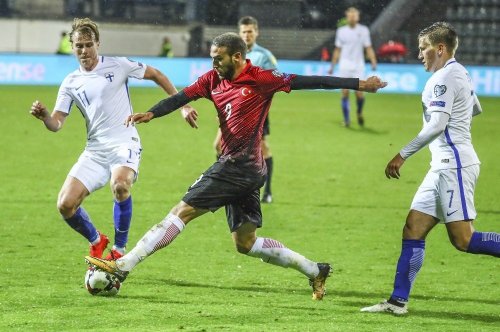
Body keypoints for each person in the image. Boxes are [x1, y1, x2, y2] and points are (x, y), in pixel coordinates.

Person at [85, 32, 386, 300]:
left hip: (237, 167)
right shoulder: (212, 79)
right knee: (246, 243)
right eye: (212, 57)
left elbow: (313, 81)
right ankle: (315, 270)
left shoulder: (261, 78)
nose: (214, 63)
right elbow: (181, 97)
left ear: (238, 57)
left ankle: (124, 265)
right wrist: (151, 113)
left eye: (219, 58)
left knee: (180, 213)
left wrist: (360, 84)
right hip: (247, 172)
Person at [361, 22, 499, 315]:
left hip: (454, 166)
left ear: (440, 48)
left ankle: (398, 300)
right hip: (442, 166)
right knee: (413, 228)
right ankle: (397, 302)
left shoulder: (443, 79)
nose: (419, 53)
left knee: (464, 240)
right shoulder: (457, 71)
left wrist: (402, 154)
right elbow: (475, 107)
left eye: (423, 47)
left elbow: (437, 124)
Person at [30, 18, 198, 261]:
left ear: (98, 44)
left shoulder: (118, 65)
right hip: (95, 150)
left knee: (120, 185)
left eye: (89, 45)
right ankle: (97, 241)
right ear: (73, 47)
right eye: (79, 46)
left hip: (124, 142)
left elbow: (157, 74)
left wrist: (182, 106)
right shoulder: (70, 83)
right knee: (65, 205)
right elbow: (56, 124)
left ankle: (119, 250)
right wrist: (45, 116)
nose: (84, 51)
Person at [213, 16, 277, 204]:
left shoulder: (264, 56)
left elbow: (273, 82)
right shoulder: (230, 53)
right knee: (218, 145)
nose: (247, 35)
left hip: (255, 112)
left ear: (256, 32)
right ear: (239, 33)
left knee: (262, 148)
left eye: (250, 31)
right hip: (231, 109)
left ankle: (268, 191)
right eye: (244, 32)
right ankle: (226, 185)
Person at [328, 7, 377, 127]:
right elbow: (337, 49)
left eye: (354, 15)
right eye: (350, 15)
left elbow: (368, 47)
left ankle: (359, 112)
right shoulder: (341, 31)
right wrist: (332, 65)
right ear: (347, 17)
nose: (352, 17)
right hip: (344, 66)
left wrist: (373, 61)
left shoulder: (364, 30)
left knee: (359, 93)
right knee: (344, 93)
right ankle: (347, 120)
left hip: (358, 66)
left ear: (358, 17)